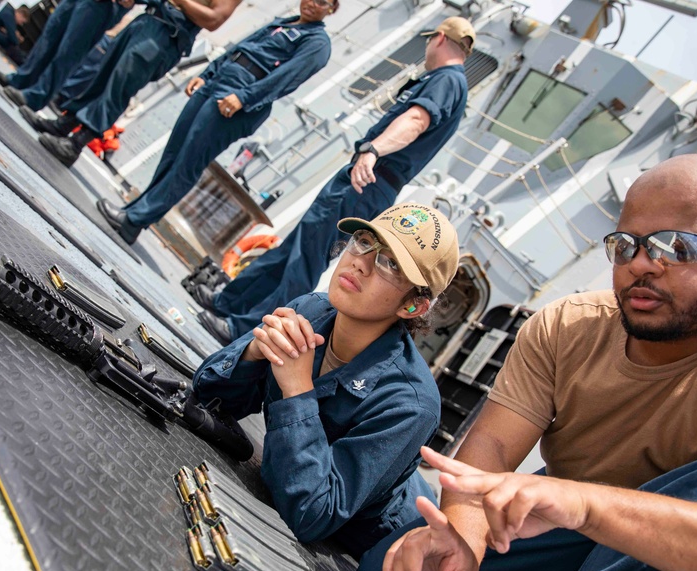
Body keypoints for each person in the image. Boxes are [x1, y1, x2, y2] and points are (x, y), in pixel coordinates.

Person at [352, 154, 697, 571]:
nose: (641, 263)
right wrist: (463, 535)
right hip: (568, 534)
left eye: (678, 246)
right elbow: (495, 445)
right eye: (626, 245)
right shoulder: (568, 328)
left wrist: (589, 506)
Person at [192, 203, 460, 557]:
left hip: (380, 545)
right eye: (364, 241)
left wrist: (297, 390)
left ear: (413, 306)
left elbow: (312, 514)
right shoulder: (311, 311)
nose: (360, 262)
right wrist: (252, 353)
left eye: (391, 264)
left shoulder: (411, 404)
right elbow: (208, 397)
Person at [194, 16, 475, 344]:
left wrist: (372, 150)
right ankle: (229, 303)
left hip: (368, 177)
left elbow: (415, 119)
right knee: (294, 248)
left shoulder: (447, 80)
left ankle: (247, 329)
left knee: (306, 258)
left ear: (439, 38)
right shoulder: (449, 81)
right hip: (365, 177)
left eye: (430, 40)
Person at [96, 0, 336, 245]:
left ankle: (135, 219)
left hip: (238, 96)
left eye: (323, 2)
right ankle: (132, 215)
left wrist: (243, 98)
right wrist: (207, 74)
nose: (312, 3)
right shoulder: (283, 23)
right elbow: (240, 47)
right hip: (219, 81)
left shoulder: (317, 43)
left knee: (188, 162)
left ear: (332, 9)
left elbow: (285, 79)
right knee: (174, 153)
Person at [36, 0, 243, 167]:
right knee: (102, 76)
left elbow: (215, 20)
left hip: (167, 33)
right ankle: (64, 124)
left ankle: (75, 145)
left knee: (119, 87)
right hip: (149, 19)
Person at [0, 0, 133, 112]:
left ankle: (36, 96)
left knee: (68, 53)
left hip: (103, 5)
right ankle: (21, 80)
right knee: (49, 37)